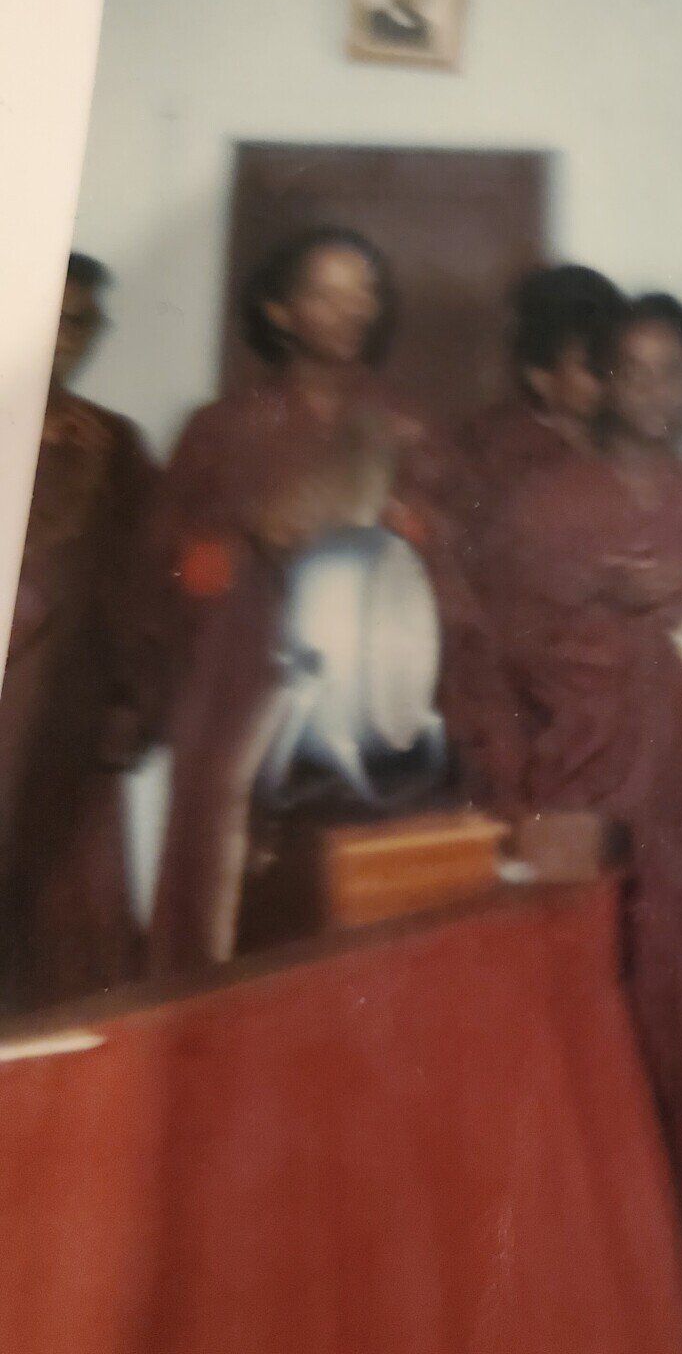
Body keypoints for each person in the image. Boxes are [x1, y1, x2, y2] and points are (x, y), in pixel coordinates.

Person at [480, 293, 682, 1339]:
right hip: (587, 797)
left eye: (677, 371)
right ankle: (591, 1249)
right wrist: (597, 608)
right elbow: (498, 656)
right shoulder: (540, 509)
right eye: (636, 370)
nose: (658, 392)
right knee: (593, 1018)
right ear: (603, 382)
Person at [145, 227, 488, 971]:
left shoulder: (410, 427)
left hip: (374, 694)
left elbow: (461, 560)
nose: (352, 309)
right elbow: (169, 571)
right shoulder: (220, 429)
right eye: (327, 294)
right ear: (280, 311)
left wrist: (400, 528)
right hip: (248, 685)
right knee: (232, 891)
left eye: (363, 292)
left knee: (369, 903)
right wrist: (248, 538)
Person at [0, 254, 160, 1008]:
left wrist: (132, 703)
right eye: (54, 317)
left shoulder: (115, 445)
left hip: (61, 722)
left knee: (59, 945)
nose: (68, 336)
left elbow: (146, 588)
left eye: (85, 323)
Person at [457, 264, 623, 524]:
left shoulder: (622, 446)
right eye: (595, 369)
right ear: (540, 375)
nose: (613, 380)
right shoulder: (499, 456)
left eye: (620, 365)